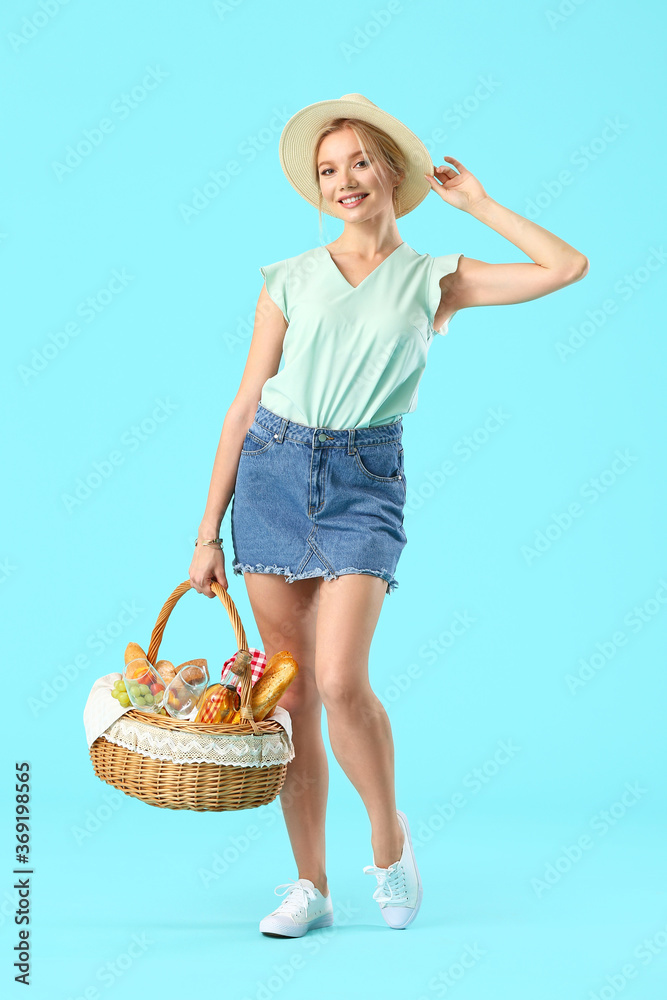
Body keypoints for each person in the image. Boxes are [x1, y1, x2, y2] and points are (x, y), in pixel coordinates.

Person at [189, 94, 589, 937]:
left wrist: (477, 206)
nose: (343, 181)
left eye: (358, 163)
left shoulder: (433, 276)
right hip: (269, 468)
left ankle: (387, 842)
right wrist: (203, 532)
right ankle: (308, 886)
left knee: (339, 680)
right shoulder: (287, 278)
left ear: (391, 174)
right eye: (327, 170)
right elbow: (240, 405)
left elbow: (564, 267)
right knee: (289, 698)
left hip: (363, 477)